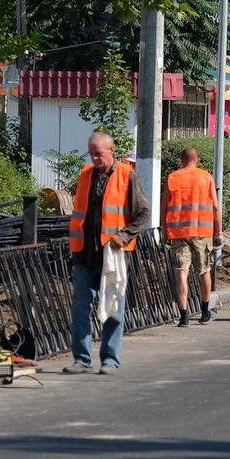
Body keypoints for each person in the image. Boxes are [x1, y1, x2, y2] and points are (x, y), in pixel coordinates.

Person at [64, 131, 150, 375]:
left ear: (111, 150)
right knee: (81, 306)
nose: (94, 159)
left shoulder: (127, 175)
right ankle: (82, 359)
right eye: (91, 154)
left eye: (98, 154)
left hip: (113, 254)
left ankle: (110, 360)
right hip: (84, 252)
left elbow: (143, 214)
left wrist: (123, 236)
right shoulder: (85, 175)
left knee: (113, 305)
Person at [162, 147, 223, 327]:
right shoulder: (206, 177)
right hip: (201, 233)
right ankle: (205, 312)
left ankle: (184, 317)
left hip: (178, 233)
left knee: (182, 272)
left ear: (182, 160)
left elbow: (164, 206)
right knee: (204, 271)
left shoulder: (173, 177)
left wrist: (165, 231)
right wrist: (218, 232)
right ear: (197, 160)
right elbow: (215, 208)